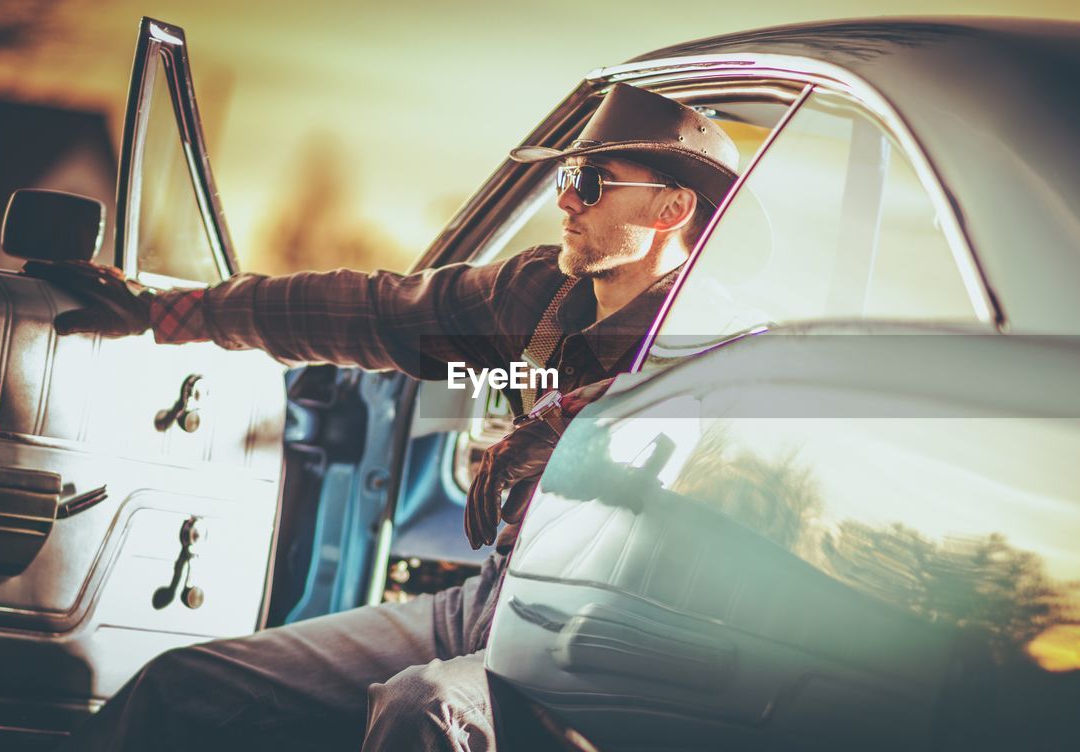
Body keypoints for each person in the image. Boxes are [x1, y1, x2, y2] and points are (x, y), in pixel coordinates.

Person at [49, 83, 739, 751]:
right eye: (569, 175)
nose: (565, 198)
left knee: (427, 710)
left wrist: (580, 431)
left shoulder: (720, 345)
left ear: (670, 209)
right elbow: (378, 310)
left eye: (593, 181)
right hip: (490, 604)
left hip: (604, 645)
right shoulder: (539, 294)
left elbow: (721, 471)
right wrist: (167, 312)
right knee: (182, 689)